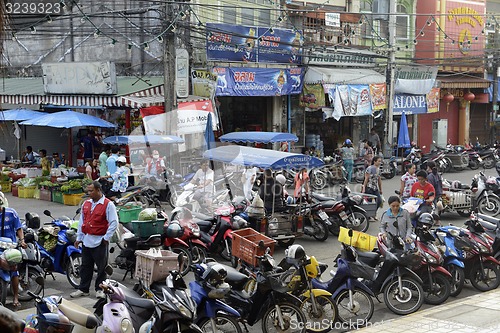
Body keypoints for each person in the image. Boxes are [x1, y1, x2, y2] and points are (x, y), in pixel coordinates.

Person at [71, 181, 118, 299]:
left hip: (100, 240)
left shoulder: (108, 204)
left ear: (98, 190)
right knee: (85, 266)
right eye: (88, 191)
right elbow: (82, 222)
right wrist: (79, 238)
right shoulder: (86, 204)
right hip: (87, 240)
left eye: (91, 191)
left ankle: (100, 289)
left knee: (102, 268)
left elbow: (114, 222)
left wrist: (106, 237)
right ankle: (83, 288)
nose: (89, 193)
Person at [0, 194, 26, 309]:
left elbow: (19, 228)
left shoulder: (11, 213)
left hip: (10, 247)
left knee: (14, 271)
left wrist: (22, 240)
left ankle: (16, 296)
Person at [362, 156, 383, 220]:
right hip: (369, 188)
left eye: (380, 161)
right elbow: (366, 179)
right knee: (369, 203)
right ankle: (368, 216)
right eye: (378, 161)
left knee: (379, 201)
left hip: (375, 188)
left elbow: (379, 180)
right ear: (374, 161)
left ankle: (373, 213)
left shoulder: (379, 169)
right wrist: (363, 188)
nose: (380, 162)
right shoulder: (369, 168)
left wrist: (380, 189)